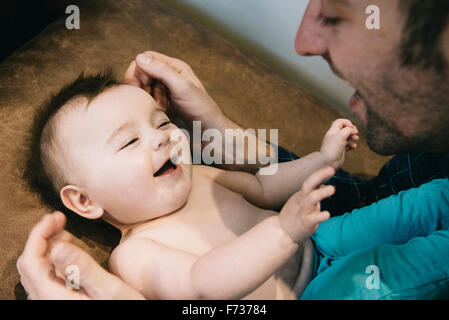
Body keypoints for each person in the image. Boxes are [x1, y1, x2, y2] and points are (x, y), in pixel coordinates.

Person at [17, 0, 449, 299]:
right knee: (411, 266)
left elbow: (265, 187)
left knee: (427, 201)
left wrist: (323, 159)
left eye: (163, 123)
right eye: (130, 141)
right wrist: (282, 232)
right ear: (84, 200)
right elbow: (201, 284)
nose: (164, 137)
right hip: (316, 291)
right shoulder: (135, 255)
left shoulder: (200, 175)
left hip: (321, 236)